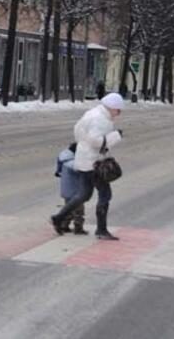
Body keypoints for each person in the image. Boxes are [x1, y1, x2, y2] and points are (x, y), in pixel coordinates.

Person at [51, 92, 124, 240]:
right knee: (105, 194)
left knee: (84, 194)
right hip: (94, 163)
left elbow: (77, 131)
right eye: (118, 109)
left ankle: (59, 217)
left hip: (84, 160)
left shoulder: (92, 113)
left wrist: (84, 146)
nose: (119, 113)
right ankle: (101, 230)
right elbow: (96, 141)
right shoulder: (100, 119)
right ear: (111, 107)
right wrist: (116, 136)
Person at [55, 143, 87, 235]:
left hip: (66, 188)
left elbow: (58, 172)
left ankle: (64, 225)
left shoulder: (63, 156)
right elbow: (80, 170)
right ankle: (78, 228)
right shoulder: (73, 163)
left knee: (68, 208)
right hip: (75, 190)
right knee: (79, 210)